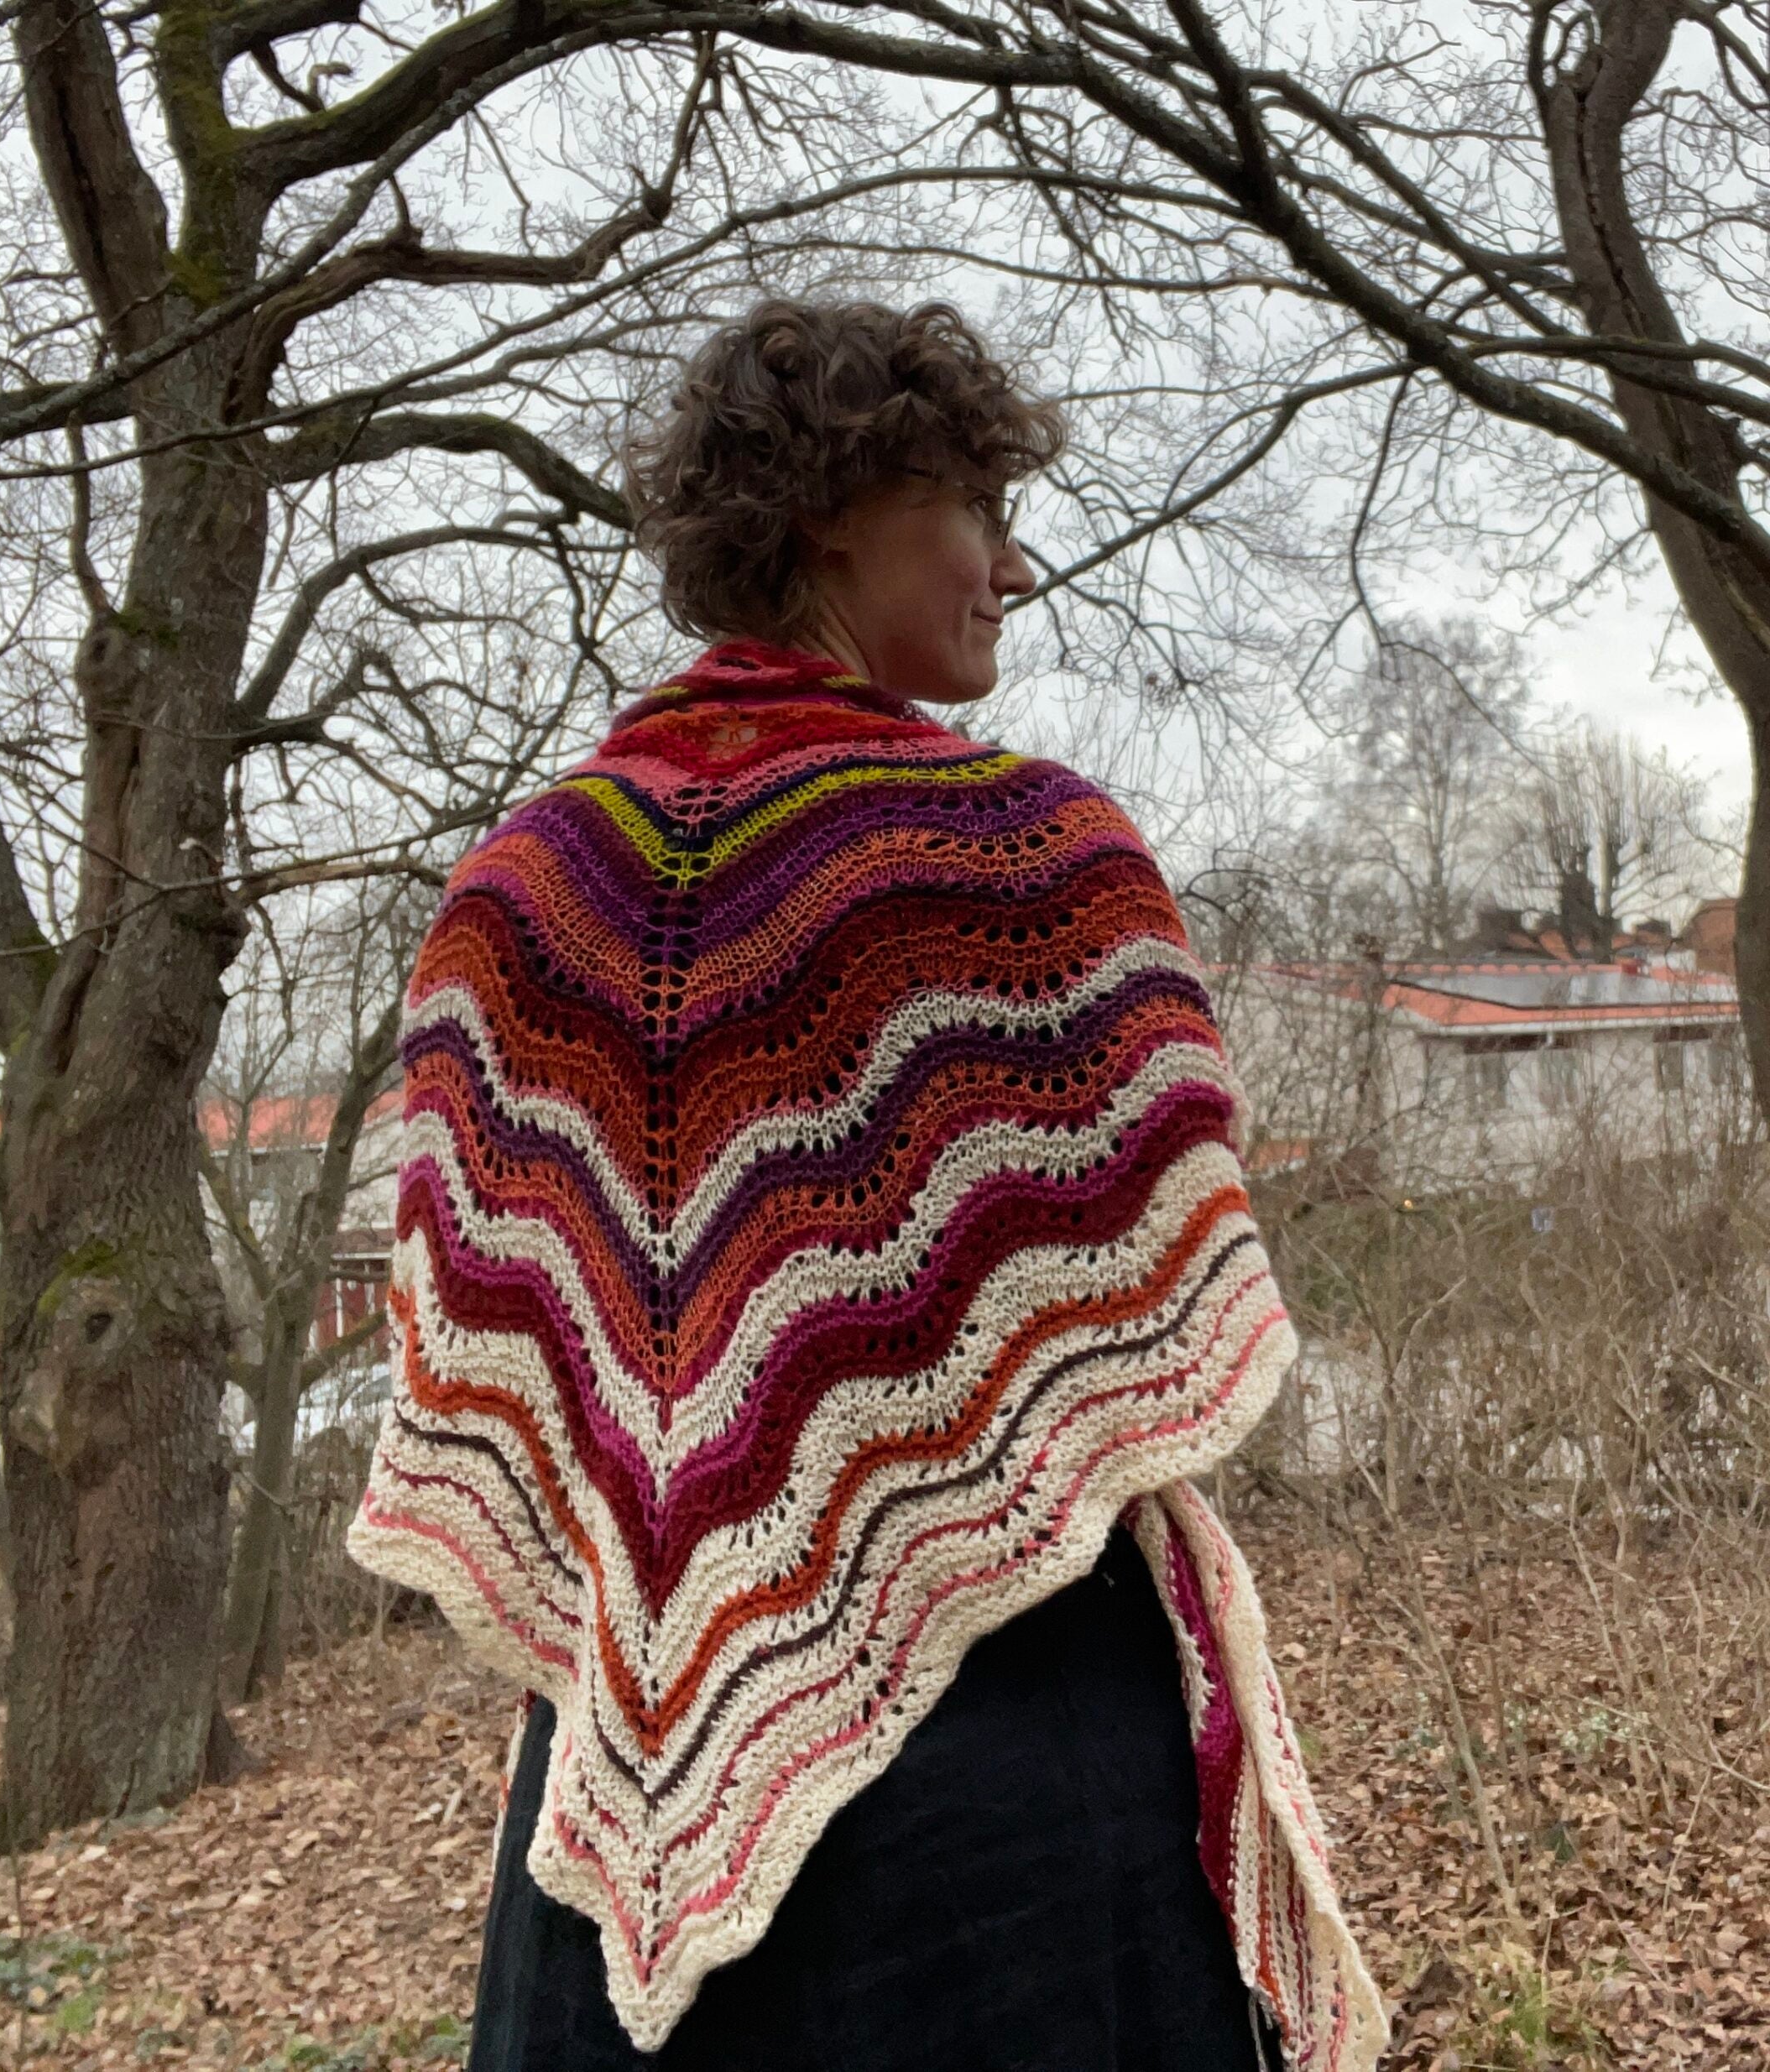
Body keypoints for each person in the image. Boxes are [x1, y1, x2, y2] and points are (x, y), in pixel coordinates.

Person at [347, 301, 1385, 2072]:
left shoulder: (512, 901)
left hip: (613, 1762)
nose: (1011, 562)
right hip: (1017, 1772)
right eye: (970, 502)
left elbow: (480, 1333)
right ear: (829, 506)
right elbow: (1171, 1292)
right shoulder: (1035, 864)